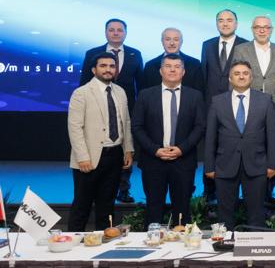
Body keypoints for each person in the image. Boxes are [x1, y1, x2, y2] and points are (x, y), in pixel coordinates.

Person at [132, 54, 206, 227]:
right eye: (168, 66)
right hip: (153, 161)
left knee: (182, 211)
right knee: (153, 208)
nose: (172, 70)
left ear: (183, 72)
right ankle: (152, 241)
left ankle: (181, 242)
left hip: (183, 161)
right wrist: (155, 150)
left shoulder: (195, 96)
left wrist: (182, 149)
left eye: (177, 66)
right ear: (160, 71)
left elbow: (200, 127)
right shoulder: (145, 95)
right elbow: (137, 127)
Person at [204, 61, 275, 228]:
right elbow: (210, 137)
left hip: (257, 165)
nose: (241, 76)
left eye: (245, 73)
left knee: (256, 214)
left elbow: (272, 135)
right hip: (224, 165)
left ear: (251, 78)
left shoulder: (265, 100)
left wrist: (272, 164)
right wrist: (209, 166)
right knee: (225, 216)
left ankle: (256, 243)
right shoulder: (217, 101)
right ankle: (225, 243)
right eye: (237, 73)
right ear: (230, 78)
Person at [67, 52, 134, 230]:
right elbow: (75, 128)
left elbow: (126, 122)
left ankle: (105, 242)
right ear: (94, 70)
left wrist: (128, 149)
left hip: (115, 155)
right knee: (82, 206)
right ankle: (73, 244)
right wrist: (82, 157)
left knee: (107, 207)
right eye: (103, 66)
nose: (108, 70)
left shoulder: (120, 92)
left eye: (112, 66)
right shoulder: (81, 93)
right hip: (89, 158)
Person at [80, 17, 143, 203]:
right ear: (106, 32)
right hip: (97, 110)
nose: (116, 33)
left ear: (125, 33)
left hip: (125, 110)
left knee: (125, 149)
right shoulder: (93, 53)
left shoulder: (135, 54)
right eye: (112, 29)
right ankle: (98, 187)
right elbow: (84, 83)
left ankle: (123, 189)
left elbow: (141, 85)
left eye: (120, 30)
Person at [232, 15, 275, 115]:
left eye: (266, 27)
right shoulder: (240, 50)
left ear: (271, 30)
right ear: (252, 29)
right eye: (257, 27)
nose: (262, 31)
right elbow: (234, 80)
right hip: (248, 106)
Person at [200, 8, 248, 107]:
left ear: (236, 24)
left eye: (229, 20)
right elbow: (204, 75)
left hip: (238, 102)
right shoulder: (207, 45)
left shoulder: (246, 45)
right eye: (221, 20)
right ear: (216, 24)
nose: (225, 24)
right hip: (211, 102)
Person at [140, 27, 204, 91]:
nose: (172, 43)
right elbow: (144, 94)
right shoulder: (150, 66)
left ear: (181, 42)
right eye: (167, 39)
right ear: (162, 41)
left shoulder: (195, 64)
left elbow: (199, 93)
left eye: (176, 39)